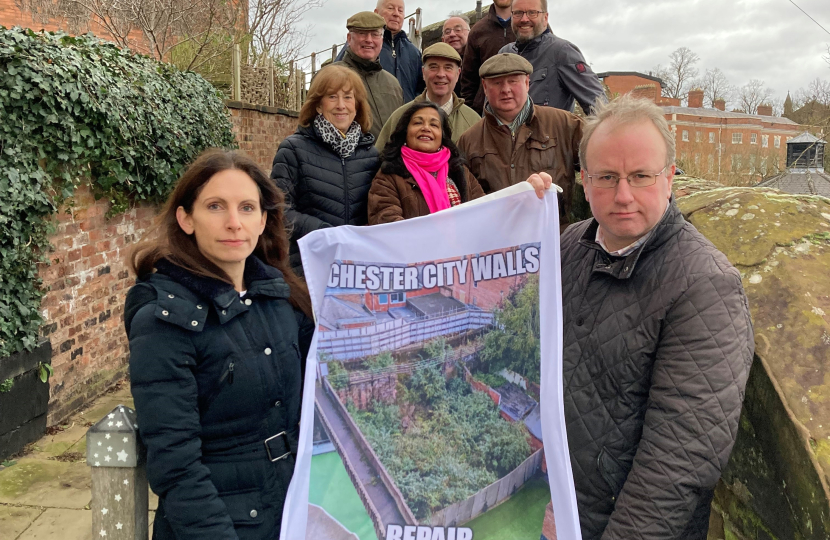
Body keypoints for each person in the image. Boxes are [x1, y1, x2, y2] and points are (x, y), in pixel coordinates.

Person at [561, 95, 754, 539]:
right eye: (606, 177)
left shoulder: (705, 285)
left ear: (669, 178)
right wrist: (521, 212)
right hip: (560, 508)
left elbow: (679, 460)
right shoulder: (570, 245)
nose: (623, 195)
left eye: (640, 176)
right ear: (585, 182)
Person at [124, 149, 315, 539]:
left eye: (247, 208)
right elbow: (177, 468)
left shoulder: (283, 298)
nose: (233, 223)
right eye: (215, 206)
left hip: (292, 512)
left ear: (263, 220)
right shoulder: (164, 321)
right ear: (186, 218)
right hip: (221, 525)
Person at [271, 64, 380, 276]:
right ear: (318, 105)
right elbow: (278, 209)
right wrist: (324, 233)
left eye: (348, 97)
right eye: (332, 97)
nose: (341, 105)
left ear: (357, 105)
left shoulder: (371, 154)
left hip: (359, 268)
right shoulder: (293, 149)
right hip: (309, 266)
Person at [369, 102, 552, 224]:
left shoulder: (459, 172)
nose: (426, 128)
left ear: (443, 136)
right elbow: (387, 227)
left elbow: (487, 214)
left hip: (462, 269)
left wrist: (524, 195)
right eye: (418, 123)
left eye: (434, 124)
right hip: (416, 271)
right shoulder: (388, 176)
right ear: (405, 132)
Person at [457, 53, 582, 228]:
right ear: (485, 87)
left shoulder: (565, 124)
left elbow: (599, 166)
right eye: (497, 82)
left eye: (513, 81)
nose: (505, 89)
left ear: (527, 82)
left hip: (554, 240)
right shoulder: (468, 140)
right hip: (497, 246)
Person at [498, 0, 605, 113]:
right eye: (518, 13)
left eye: (532, 12)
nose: (524, 19)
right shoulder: (504, 54)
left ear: (545, 18)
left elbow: (599, 108)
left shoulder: (562, 52)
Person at [375, 43, 479, 150]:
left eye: (448, 68)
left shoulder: (473, 121)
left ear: (458, 74)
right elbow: (380, 160)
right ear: (423, 73)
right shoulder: (400, 117)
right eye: (433, 67)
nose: (441, 74)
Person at [335, 0, 424, 102]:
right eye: (390, 8)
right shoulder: (362, 46)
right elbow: (336, 75)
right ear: (376, 13)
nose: (396, 14)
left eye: (400, 10)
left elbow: (421, 89)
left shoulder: (413, 52)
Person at [333, 11, 404, 139]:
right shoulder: (331, 77)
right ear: (349, 38)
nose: (369, 40)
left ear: (382, 40)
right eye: (362, 33)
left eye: (375, 34)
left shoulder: (393, 84)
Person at [459, 0, 515, 115]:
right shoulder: (477, 31)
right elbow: (469, 80)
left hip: (528, 109)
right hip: (487, 113)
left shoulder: (528, 25)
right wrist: (471, 115)